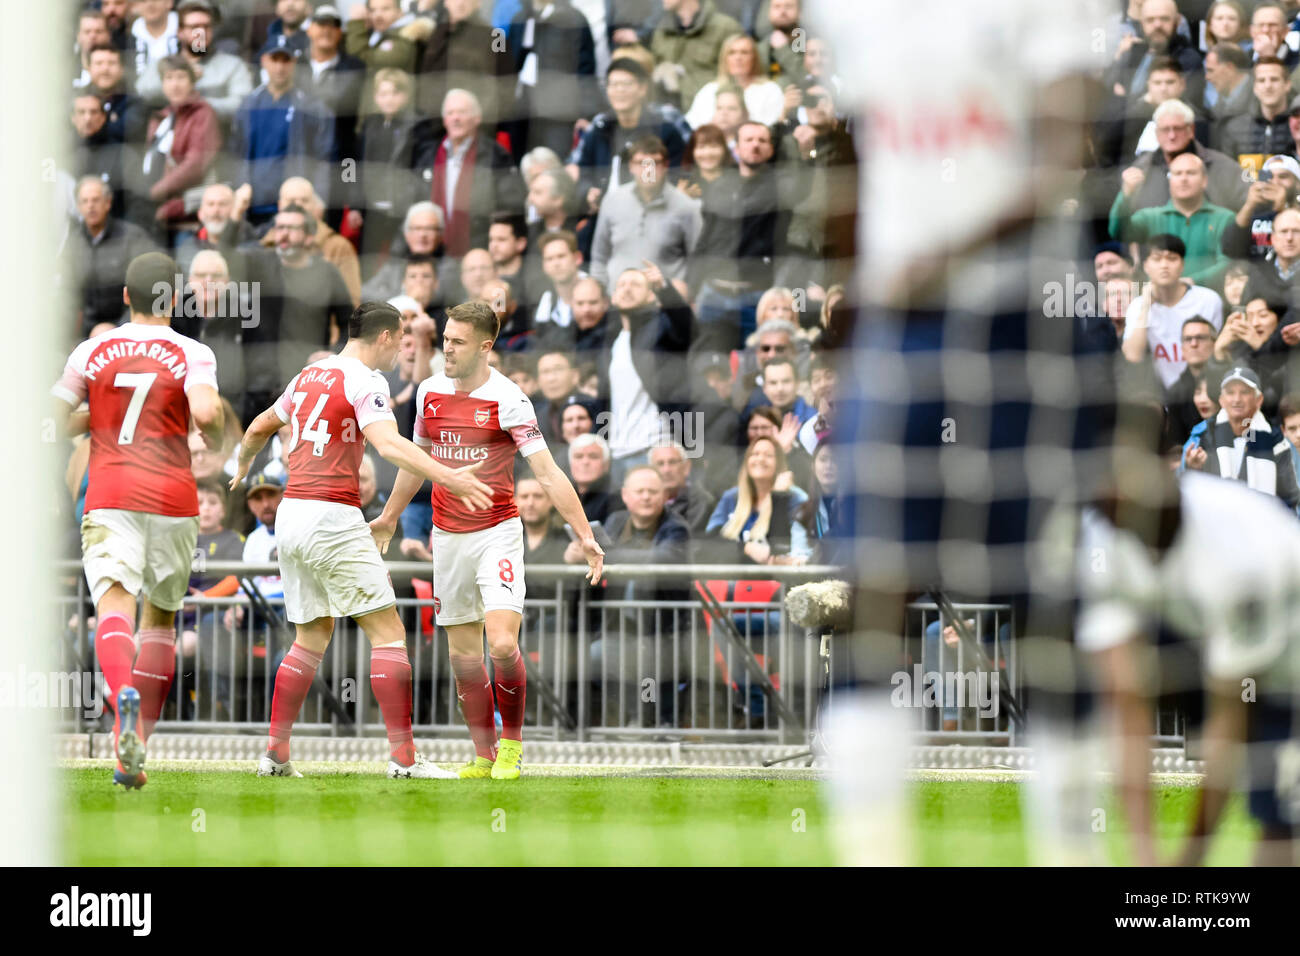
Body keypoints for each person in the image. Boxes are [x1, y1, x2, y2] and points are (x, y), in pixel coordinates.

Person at [229, 301, 494, 779]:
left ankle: (275, 753)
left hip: (290, 515)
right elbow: (390, 445)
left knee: (310, 635)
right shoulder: (366, 379)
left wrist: (242, 465)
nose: (401, 349)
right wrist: (450, 477)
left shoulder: (309, 376)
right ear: (387, 336)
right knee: (389, 633)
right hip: (331, 514)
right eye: (402, 337)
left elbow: (259, 426)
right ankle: (404, 760)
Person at [369, 300, 604, 780]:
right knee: (463, 655)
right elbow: (417, 461)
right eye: (446, 338)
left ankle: (513, 745)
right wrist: (390, 518)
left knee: (499, 644)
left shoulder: (510, 398)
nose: (446, 349)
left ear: (485, 346)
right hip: (447, 537)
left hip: (497, 532)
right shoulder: (430, 391)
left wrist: (585, 535)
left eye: (456, 342)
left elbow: (548, 471)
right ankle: (483, 753)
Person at [1076, 428, 1300, 866]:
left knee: (1279, 821)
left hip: (1288, 664)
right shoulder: (1100, 532)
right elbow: (1126, 702)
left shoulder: (1240, 561)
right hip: (1193, 630)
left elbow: (1229, 724)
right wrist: (1148, 860)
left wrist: (1188, 862)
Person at [49, 252, 224, 789]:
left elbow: (53, 420)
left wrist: (97, 415)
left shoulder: (93, 348)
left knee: (114, 608)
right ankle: (138, 745)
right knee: (162, 620)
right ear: (174, 298)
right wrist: (213, 439)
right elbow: (210, 416)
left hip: (110, 494)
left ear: (126, 297)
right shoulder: (192, 350)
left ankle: (119, 711)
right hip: (173, 499)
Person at [229, 36, 335, 226]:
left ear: (294, 63)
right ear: (264, 61)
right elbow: (235, 152)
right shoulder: (249, 105)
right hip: (253, 206)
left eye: (285, 60)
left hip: (294, 207)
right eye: (274, 59)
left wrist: (320, 196)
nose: (280, 67)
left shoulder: (311, 107)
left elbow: (325, 157)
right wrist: (238, 187)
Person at [589, 135, 701, 292]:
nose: (648, 170)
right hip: (617, 300)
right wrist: (599, 291)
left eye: (654, 163)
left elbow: (698, 263)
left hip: (665, 305)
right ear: (630, 167)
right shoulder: (612, 200)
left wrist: (682, 295)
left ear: (666, 166)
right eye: (642, 163)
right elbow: (599, 257)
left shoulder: (686, 207)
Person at [1109, 152, 1234, 287]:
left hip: (1207, 301)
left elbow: (1228, 263)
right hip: (1160, 301)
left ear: (1204, 180)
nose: (1183, 179)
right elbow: (1118, 232)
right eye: (1177, 173)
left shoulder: (1225, 218)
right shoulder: (1151, 217)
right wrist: (1126, 195)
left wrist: (1191, 282)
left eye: (1191, 173)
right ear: (1169, 180)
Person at [1186, 366, 1300, 509]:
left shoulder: (1275, 440)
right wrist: (1193, 468)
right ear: (1221, 400)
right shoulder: (1206, 436)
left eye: (1244, 392)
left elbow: (1289, 498)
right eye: (1230, 392)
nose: (1237, 399)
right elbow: (1193, 494)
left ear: (1259, 400)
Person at [1121, 234, 1225, 389]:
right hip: (1162, 396)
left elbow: (1216, 353)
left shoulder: (1208, 300)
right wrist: (1145, 306)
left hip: (1205, 389)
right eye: (1157, 259)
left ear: (1182, 264)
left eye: (1172, 258)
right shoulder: (1137, 306)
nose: (1164, 265)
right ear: (1145, 266)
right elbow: (1132, 355)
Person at [64, 176, 159, 339]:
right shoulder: (73, 242)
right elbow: (69, 295)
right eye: (84, 201)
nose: (90, 206)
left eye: (95, 200)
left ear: (108, 203)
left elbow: (147, 290)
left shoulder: (132, 238)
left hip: (128, 328)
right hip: (87, 332)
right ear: (78, 207)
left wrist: (117, 329)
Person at [135, 1, 253, 121]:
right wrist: (178, 79)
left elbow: (242, 104)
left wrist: (195, 102)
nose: (201, 33)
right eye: (194, 27)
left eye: (206, 27)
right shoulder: (166, 62)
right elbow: (142, 90)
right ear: (180, 32)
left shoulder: (232, 65)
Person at [704, 434, 811, 566]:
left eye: (768, 455)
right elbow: (710, 542)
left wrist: (778, 498)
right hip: (732, 581)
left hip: (774, 583)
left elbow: (782, 551)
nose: (760, 459)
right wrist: (745, 548)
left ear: (779, 463)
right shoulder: (731, 497)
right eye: (755, 454)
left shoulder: (795, 498)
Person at [650, 0, 743, 111]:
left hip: (710, 110)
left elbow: (740, 76)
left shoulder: (725, 27)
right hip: (667, 109)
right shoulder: (663, 29)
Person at [685, 33, 784, 129]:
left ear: (754, 58)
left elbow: (771, 128)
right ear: (724, 58)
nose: (738, 58)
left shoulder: (770, 90)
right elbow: (693, 125)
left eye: (744, 52)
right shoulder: (710, 90)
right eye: (732, 53)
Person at [649, 441, 716, 532]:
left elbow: (686, 540)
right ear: (651, 470)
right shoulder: (642, 500)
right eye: (660, 464)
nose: (667, 470)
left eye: (672, 462)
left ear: (686, 467)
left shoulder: (701, 502)